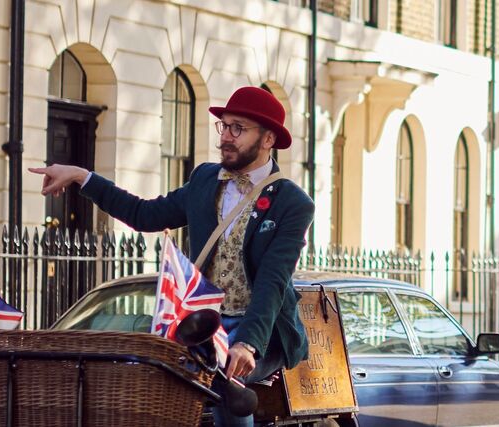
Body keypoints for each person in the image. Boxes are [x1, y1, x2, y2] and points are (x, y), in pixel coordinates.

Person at [31, 86, 313, 427]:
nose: (226, 136)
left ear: (268, 139)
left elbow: (272, 282)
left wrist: (247, 346)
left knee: (224, 377)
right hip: (203, 322)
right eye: (223, 126)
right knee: (149, 373)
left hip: (261, 331)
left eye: (238, 128)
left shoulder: (292, 203)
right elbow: (144, 214)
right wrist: (82, 177)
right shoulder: (205, 179)